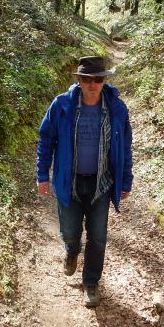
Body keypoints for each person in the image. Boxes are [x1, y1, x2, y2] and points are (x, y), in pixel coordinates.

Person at [36, 56, 133, 307]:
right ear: (79, 80)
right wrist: (42, 175)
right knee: (70, 231)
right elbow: (46, 140)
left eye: (98, 79)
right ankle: (71, 250)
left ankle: (91, 282)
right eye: (87, 79)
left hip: (102, 181)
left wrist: (125, 181)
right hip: (69, 181)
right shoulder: (61, 106)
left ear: (104, 81)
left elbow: (125, 148)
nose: (93, 84)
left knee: (98, 236)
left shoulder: (117, 109)